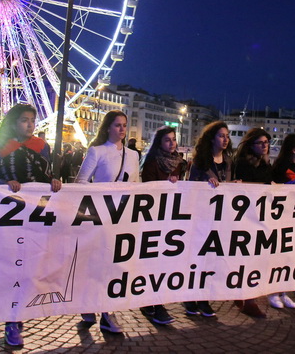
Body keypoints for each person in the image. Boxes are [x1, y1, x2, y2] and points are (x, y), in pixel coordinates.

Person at [0, 104, 60, 348]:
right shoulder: (2, 148)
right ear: (14, 123)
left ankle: (18, 317)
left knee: (31, 269)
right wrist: (3, 182)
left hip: (37, 216)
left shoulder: (42, 147)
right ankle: (12, 322)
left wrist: (54, 181)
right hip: (11, 218)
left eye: (32, 120)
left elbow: (46, 173)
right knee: (14, 270)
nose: (30, 124)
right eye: (24, 120)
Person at [75, 110, 140, 334]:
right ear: (108, 128)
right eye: (117, 125)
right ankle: (89, 304)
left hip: (122, 217)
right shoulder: (97, 151)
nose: (122, 129)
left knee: (114, 266)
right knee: (97, 265)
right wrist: (102, 193)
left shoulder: (133, 155)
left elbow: (136, 184)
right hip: (100, 216)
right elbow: (81, 182)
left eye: (124, 125)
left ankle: (107, 311)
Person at [185, 121, 232, 318]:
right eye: (221, 135)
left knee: (211, 259)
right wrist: (206, 184)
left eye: (227, 136)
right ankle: (190, 297)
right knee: (197, 257)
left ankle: (204, 298)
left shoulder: (229, 161)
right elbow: (190, 187)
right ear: (212, 138)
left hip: (220, 217)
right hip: (201, 216)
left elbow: (229, 184)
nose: (225, 139)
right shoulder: (200, 162)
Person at [139, 126, 181, 326]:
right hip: (154, 218)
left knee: (165, 262)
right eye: (167, 140)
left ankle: (155, 302)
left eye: (173, 139)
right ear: (159, 143)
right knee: (153, 262)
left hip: (172, 218)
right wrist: (166, 183)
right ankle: (155, 304)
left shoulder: (179, 163)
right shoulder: (152, 162)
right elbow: (149, 189)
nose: (171, 143)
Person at [232, 127, 272, 317]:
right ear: (251, 145)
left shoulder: (266, 164)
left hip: (259, 215)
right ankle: (247, 298)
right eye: (261, 143)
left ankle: (245, 296)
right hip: (243, 215)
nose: (265, 146)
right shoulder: (242, 163)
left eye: (266, 143)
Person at [267, 134, 295, 310]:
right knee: (278, 255)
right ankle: (273, 291)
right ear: (293, 149)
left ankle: (284, 291)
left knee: (290, 255)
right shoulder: (282, 166)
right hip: (281, 215)